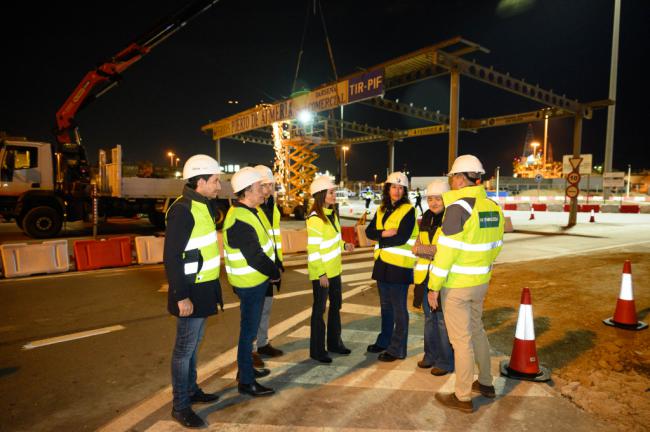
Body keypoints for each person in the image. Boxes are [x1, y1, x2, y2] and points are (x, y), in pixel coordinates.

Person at [427, 155, 505, 413]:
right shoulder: (493, 207)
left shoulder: (459, 208)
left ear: (460, 178)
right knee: (477, 331)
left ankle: (462, 397)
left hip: (458, 285)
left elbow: (445, 253)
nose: (452, 182)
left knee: (461, 341)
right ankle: (485, 382)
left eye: (453, 177)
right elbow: (496, 247)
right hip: (481, 282)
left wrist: (433, 286)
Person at [164, 154, 224, 429]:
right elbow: (172, 256)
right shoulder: (183, 209)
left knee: (195, 344)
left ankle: (191, 389)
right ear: (200, 181)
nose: (219, 186)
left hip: (204, 287)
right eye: (215, 181)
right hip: (189, 291)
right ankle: (180, 406)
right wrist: (180, 295)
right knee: (184, 349)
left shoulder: (204, 206)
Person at [223, 166, 281, 397]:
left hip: (255, 281)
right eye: (259, 188)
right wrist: (274, 271)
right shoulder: (239, 218)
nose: (263, 192)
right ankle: (246, 383)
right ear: (246, 191)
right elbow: (255, 255)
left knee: (249, 332)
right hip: (250, 283)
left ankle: (245, 372)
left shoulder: (250, 211)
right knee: (248, 333)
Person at [364, 171, 418, 362]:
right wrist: (384, 233)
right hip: (382, 265)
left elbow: (402, 237)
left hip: (399, 267)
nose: (397, 191)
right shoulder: (380, 210)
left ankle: (398, 349)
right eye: (393, 187)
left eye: (400, 188)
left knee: (399, 309)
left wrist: (380, 238)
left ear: (405, 191)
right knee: (385, 307)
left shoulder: (409, 211)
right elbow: (369, 232)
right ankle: (384, 341)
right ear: (387, 189)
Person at [307, 175, 355, 363]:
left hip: (335, 271)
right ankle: (317, 351)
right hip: (323, 274)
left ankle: (335, 343)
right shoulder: (315, 219)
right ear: (321, 195)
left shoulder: (331, 214)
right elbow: (313, 250)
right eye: (331, 192)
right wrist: (321, 273)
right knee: (319, 311)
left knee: (336, 307)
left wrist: (344, 245)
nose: (334, 195)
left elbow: (333, 240)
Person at [412, 179, 454, 377]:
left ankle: (445, 361)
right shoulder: (426, 217)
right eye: (430, 199)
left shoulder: (450, 219)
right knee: (429, 319)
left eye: (438, 199)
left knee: (442, 321)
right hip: (425, 278)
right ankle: (430, 356)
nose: (434, 203)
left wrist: (424, 250)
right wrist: (427, 251)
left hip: (443, 279)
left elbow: (443, 251)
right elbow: (416, 247)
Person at [253, 165, 284, 366]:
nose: (270, 189)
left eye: (272, 185)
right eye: (266, 185)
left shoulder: (271, 205)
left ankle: (262, 343)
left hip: (271, 265)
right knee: (253, 312)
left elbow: (274, 236)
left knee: (266, 308)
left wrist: (278, 263)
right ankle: (251, 350)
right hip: (257, 269)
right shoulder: (252, 207)